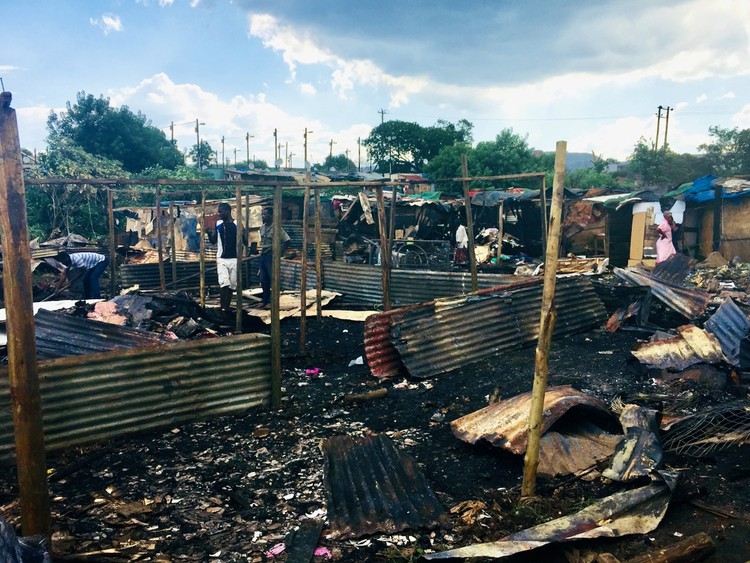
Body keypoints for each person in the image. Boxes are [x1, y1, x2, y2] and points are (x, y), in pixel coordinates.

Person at [207, 202, 241, 314]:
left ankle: (227, 307)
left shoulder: (237, 224)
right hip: (222, 258)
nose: (219, 213)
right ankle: (222, 308)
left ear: (227, 211)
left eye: (220, 211)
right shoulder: (218, 224)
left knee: (232, 284)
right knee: (224, 283)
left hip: (234, 259)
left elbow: (245, 240)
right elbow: (213, 241)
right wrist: (208, 233)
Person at [258, 208, 291, 309]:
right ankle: (265, 301)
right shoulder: (262, 228)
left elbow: (287, 241)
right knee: (263, 280)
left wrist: (278, 251)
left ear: (271, 216)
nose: (263, 216)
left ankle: (273, 302)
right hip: (263, 256)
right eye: (262, 214)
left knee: (273, 279)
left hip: (271, 258)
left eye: (265, 214)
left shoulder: (277, 228)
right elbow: (261, 242)